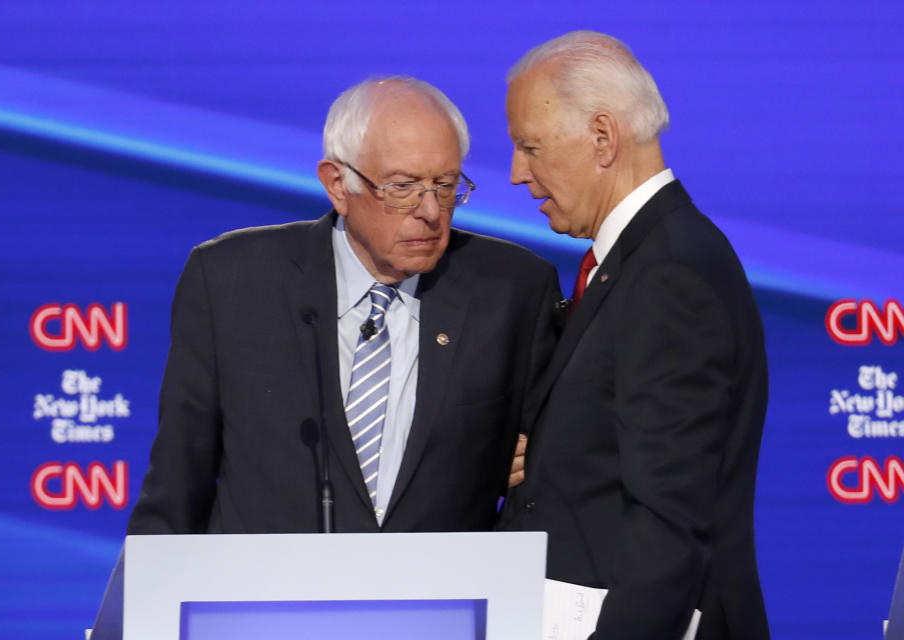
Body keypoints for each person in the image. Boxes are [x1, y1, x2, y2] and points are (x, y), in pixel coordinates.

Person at [126, 76, 562, 535]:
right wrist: (143, 602)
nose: (431, 211)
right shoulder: (231, 281)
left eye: (445, 185)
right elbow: (178, 481)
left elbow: (547, 479)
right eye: (402, 187)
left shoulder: (513, 289)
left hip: (442, 598)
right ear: (338, 184)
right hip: (263, 599)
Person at [498, 31, 770, 639]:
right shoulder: (643, 259)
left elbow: (669, 522)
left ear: (602, 136)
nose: (517, 173)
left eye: (530, 146)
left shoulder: (670, 274)